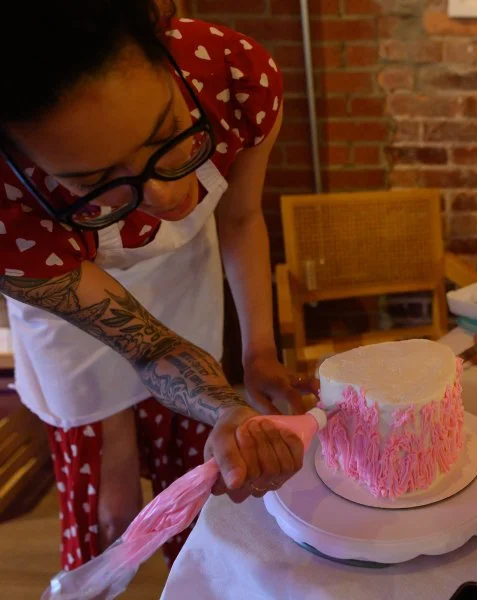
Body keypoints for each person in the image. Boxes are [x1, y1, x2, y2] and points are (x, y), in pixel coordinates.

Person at [0, 1, 312, 570]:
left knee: (189, 479)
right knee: (109, 511)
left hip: (183, 282)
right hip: (73, 315)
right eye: (94, 182)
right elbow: (146, 344)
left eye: (168, 134)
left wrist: (256, 355)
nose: (168, 199)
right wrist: (224, 406)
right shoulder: (7, 213)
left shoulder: (235, 76)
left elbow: (240, 219)